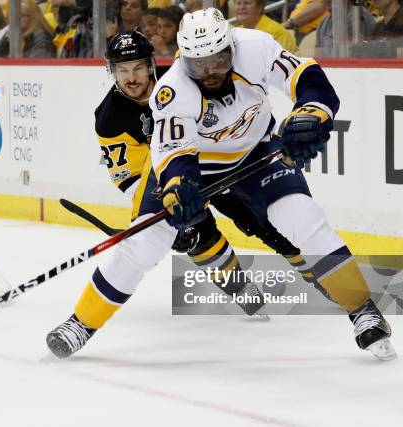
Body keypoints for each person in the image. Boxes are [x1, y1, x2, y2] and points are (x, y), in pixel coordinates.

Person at [149, 8, 396, 361]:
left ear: (231, 47)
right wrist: (178, 186)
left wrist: (311, 112)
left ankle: (362, 310)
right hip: (204, 169)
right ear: (183, 59)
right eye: (198, 65)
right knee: (195, 232)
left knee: (304, 219)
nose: (210, 73)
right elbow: (175, 155)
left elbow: (307, 78)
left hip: (257, 151)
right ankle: (238, 286)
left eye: (218, 60)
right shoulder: (172, 90)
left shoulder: (256, 47)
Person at [46, 31, 272, 359]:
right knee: (187, 231)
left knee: (260, 219)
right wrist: (156, 215)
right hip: (170, 174)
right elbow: (131, 176)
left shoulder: (183, 80)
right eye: (122, 70)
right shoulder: (109, 118)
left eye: (137, 68)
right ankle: (80, 324)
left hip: (216, 157)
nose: (131, 77)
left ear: (152, 65)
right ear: (111, 71)